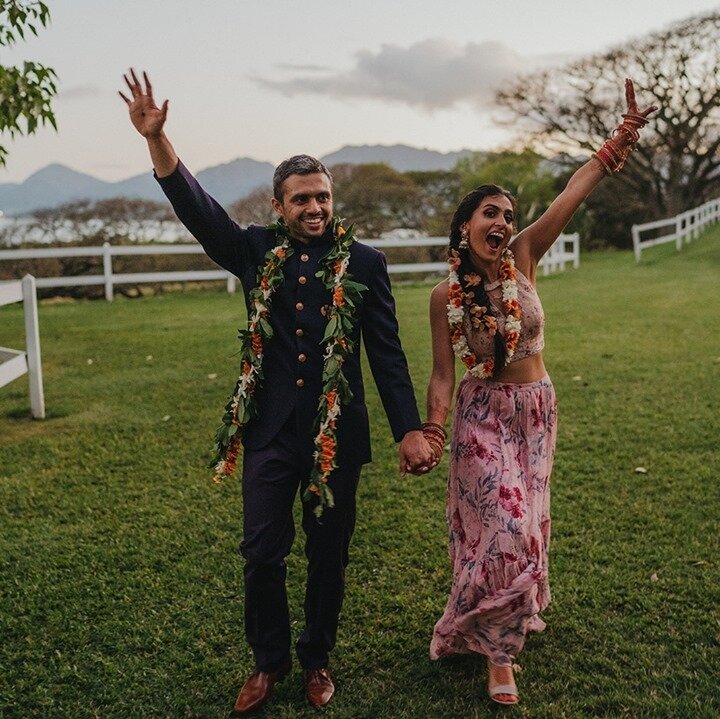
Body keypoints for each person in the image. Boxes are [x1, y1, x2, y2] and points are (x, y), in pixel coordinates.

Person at [119, 69, 435, 714]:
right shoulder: (256, 252)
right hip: (266, 433)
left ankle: (317, 660)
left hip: (336, 438)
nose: (314, 208)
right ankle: (266, 664)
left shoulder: (367, 264)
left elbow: (387, 355)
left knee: (328, 558)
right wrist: (159, 142)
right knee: (261, 552)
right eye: (301, 200)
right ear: (278, 206)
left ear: (331, 200)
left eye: (322, 197)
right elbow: (201, 214)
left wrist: (408, 428)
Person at [420, 80, 656, 705]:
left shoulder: (524, 258)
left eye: (506, 213)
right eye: (488, 213)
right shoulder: (446, 296)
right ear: (465, 226)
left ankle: (496, 616)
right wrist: (434, 427)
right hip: (481, 414)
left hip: (536, 410)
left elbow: (574, 193)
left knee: (528, 530)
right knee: (501, 527)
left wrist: (622, 135)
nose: (502, 222)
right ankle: (500, 660)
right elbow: (444, 373)